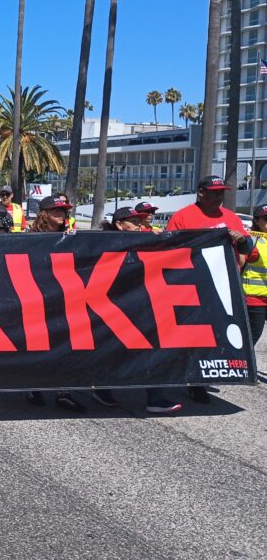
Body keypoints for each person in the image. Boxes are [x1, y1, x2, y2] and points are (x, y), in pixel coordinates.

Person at [166, 175, 255, 405]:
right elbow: (169, 248)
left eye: (221, 192)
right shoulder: (183, 217)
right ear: (201, 193)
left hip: (225, 284)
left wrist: (241, 239)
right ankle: (194, 381)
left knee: (222, 333)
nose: (218, 197)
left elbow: (247, 246)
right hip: (193, 285)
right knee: (197, 334)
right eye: (214, 192)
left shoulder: (230, 217)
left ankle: (212, 372)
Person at [90, 207, 183, 413]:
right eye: (133, 221)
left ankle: (155, 397)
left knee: (152, 346)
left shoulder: (146, 240)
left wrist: (160, 239)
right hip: (112, 308)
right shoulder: (103, 244)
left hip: (142, 306)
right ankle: (102, 388)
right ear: (119, 225)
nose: (139, 224)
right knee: (112, 351)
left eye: (140, 220)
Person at [26, 196, 85, 412]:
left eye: (63, 211)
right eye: (56, 210)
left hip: (64, 297)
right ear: (44, 213)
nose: (61, 214)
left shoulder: (70, 236)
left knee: (66, 346)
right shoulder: (30, 236)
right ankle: (33, 386)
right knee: (37, 346)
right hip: (36, 298)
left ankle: (64, 392)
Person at [243, 204, 267, 347]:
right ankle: (243, 367)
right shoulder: (251, 240)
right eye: (266, 218)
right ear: (256, 220)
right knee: (252, 337)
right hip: (255, 298)